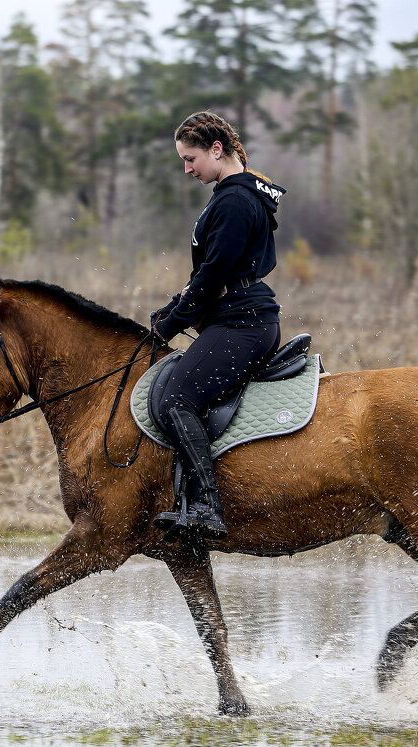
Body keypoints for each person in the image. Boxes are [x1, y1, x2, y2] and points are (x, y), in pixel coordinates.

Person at [150, 110, 285, 541]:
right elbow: (210, 273)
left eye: (191, 159)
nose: (187, 169)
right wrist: (171, 309)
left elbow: (211, 278)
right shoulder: (237, 193)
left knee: (175, 400)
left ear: (216, 149)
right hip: (239, 317)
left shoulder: (234, 199)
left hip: (243, 323)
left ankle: (208, 505)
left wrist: (169, 325)